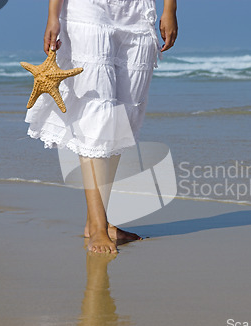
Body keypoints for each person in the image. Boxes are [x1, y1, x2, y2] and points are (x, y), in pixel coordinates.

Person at [25, 0, 178, 254]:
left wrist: (170, 8)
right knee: (97, 113)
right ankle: (97, 227)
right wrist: (53, 15)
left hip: (138, 12)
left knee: (123, 117)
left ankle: (98, 221)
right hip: (88, 8)